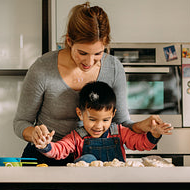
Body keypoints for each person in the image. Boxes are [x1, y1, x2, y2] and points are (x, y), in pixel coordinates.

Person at [13, 2, 172, 165]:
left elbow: (121, 124)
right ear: (69, 41)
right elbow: (21, 122)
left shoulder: (114, 68)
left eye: (98, 53)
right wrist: (36, 135)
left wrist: (142, 127)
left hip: (92, 161)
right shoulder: (43, 68)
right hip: (45, 156)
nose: (89, 61)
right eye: (82, 53)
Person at [33, 81, 168, 164]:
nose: (98, 126)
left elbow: (142, 144)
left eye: (105, 120)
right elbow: (59, 150)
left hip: (116, 186)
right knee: (88, 159)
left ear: (113, 115)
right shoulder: (76, 137)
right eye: (92, 119)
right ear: (80, 114)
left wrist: (154, 135)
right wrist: (45, 145)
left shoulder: (120, 132)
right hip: (88, 187)